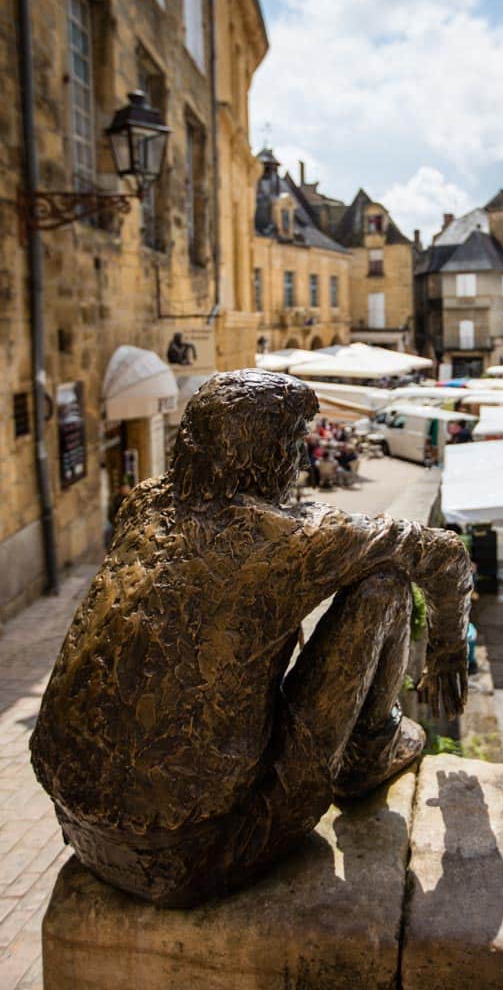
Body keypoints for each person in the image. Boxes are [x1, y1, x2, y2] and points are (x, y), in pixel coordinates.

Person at [31, 371, 472, 908]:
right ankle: (369, 751)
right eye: (295, 445)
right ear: (270, 453)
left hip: (82, 831)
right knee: (385, 587)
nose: (301, 463)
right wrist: (449, 651)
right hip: (200, 853)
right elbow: (445, 555)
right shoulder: (290, 538)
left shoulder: (144, 503)